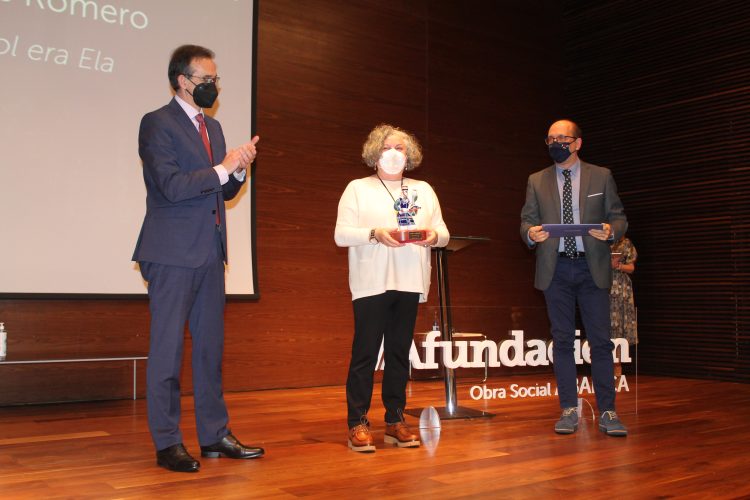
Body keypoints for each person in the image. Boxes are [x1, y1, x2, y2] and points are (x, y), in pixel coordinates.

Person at [132, 44, 263, 472]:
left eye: (215, 80)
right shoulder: (157, 124)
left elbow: (221, 191)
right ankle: (168, 442)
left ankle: (214, 435)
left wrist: (239, 169)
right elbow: (170, 185)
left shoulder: (215, 128)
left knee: (210, 350)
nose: (212, 86)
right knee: (167, 351)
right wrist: (224, 169)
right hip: (170, 253)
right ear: (182, 81)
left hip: (209, 252)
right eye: (205, 80)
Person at [335, 124, 449, 452]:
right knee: (365, 353)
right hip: (371, 282)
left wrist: (432, 236)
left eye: (400, 147)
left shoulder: (423, 190)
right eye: (387, 147)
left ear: (409, 154)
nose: (394, 153)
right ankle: (357, 422)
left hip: (409, 280)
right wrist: (374, 233)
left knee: (399, 354)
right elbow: (340, 234)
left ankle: (395, 419)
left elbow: (443, 231)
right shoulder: (357, 188)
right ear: (375, 153)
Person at [520, 119, 629, 437]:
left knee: (601, 343)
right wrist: (531, 233)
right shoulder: (536, 180)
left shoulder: (602, 175)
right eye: (550, 138)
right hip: (555, 269)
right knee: (563, 341)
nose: (556, 143)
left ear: (578, 143)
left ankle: (608, 412)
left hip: (590, 266)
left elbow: (619, 216)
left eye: (562, 138)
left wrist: (612, 231)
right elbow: (527, 219)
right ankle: (569, 410)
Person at [610, 236, 638, 376]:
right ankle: (603, 366)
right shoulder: (599, 240)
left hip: (621, 288)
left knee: (620, 325)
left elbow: (631, 268)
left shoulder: (626, 243)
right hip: (603, 286)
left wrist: (618, 266)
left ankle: (617, 368)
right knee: (604, 326)